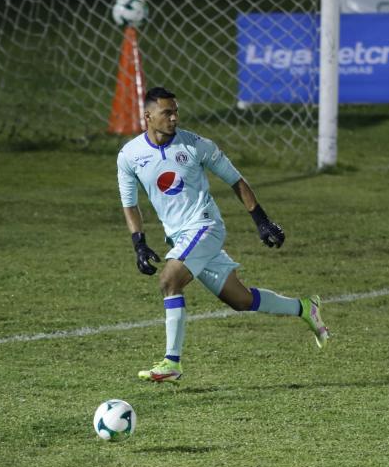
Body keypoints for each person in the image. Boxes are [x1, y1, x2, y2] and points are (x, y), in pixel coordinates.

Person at [117, 86, 328, 383]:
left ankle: (172, 362)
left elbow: (235, 179)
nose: (174, 118)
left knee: (169, 280)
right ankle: (305, 307)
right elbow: (130, 204)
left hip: (205, 226)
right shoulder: (129, 155)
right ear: (148, 116)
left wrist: (262, 220)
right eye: (167, 112)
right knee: (240, 300)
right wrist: (138, 243)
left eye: (176, 111)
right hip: (181, 238)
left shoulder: (196, 146)